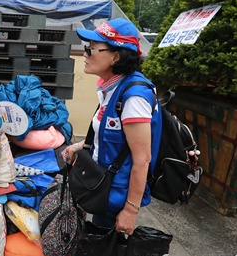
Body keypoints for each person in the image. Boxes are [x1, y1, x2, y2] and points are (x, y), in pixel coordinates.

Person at [61, 18, 162, 236]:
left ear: (116, 56)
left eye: (93, 49)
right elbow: (107, 135)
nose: (86, 54)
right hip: (105, 188)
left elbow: (142, 158)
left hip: (118, 195)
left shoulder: (133, 97)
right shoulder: (112, 87)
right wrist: (78, 147)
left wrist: (130, 210)